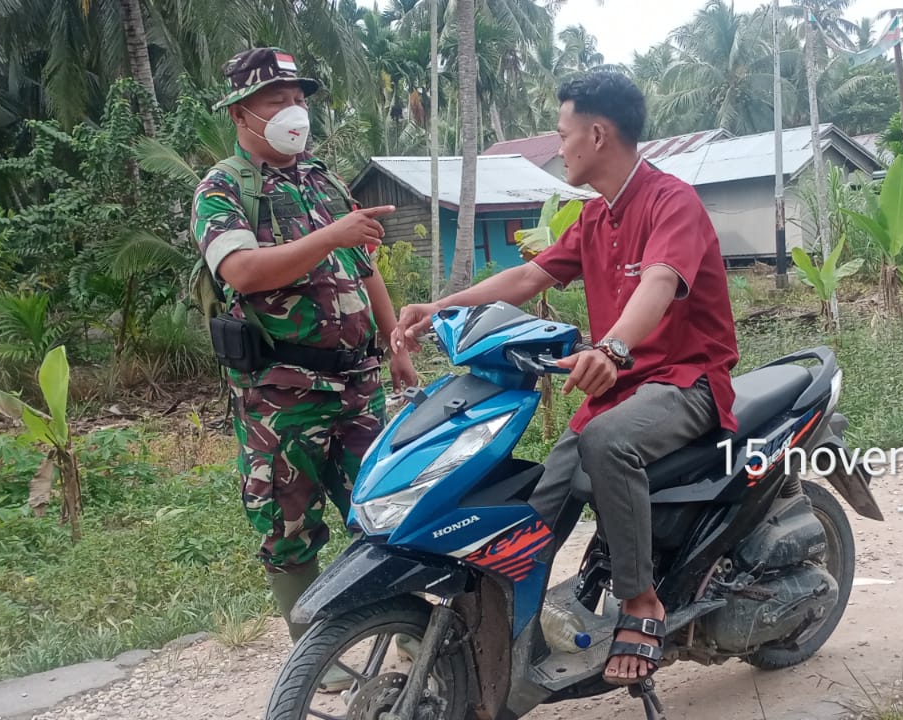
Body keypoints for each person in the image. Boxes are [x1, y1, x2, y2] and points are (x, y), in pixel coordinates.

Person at [392, 71, 738, 686]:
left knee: (606, 444)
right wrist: (442, 307)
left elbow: (658, 282)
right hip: (620, 389)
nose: (558, 147)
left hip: (687, 382)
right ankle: (497, 620)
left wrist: (612, 345)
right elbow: (528, 280)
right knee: (542, 495)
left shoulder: (670, 203)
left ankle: (640, 602)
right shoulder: (594, 217)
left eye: (562, 133)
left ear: (597, 134)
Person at [191, 47, 418, 661]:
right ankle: (319, 660)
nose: (294, 110)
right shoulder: (223, 188)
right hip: (281, 391)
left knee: (384, 509)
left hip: (359, 383)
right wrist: (330, 236)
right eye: (277, 100)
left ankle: (402, 639)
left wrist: (394, 340)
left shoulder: (322, 180)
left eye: (299, 99)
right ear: (242, 114)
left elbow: (363, 266)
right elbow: (239, 271)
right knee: (287, 525)